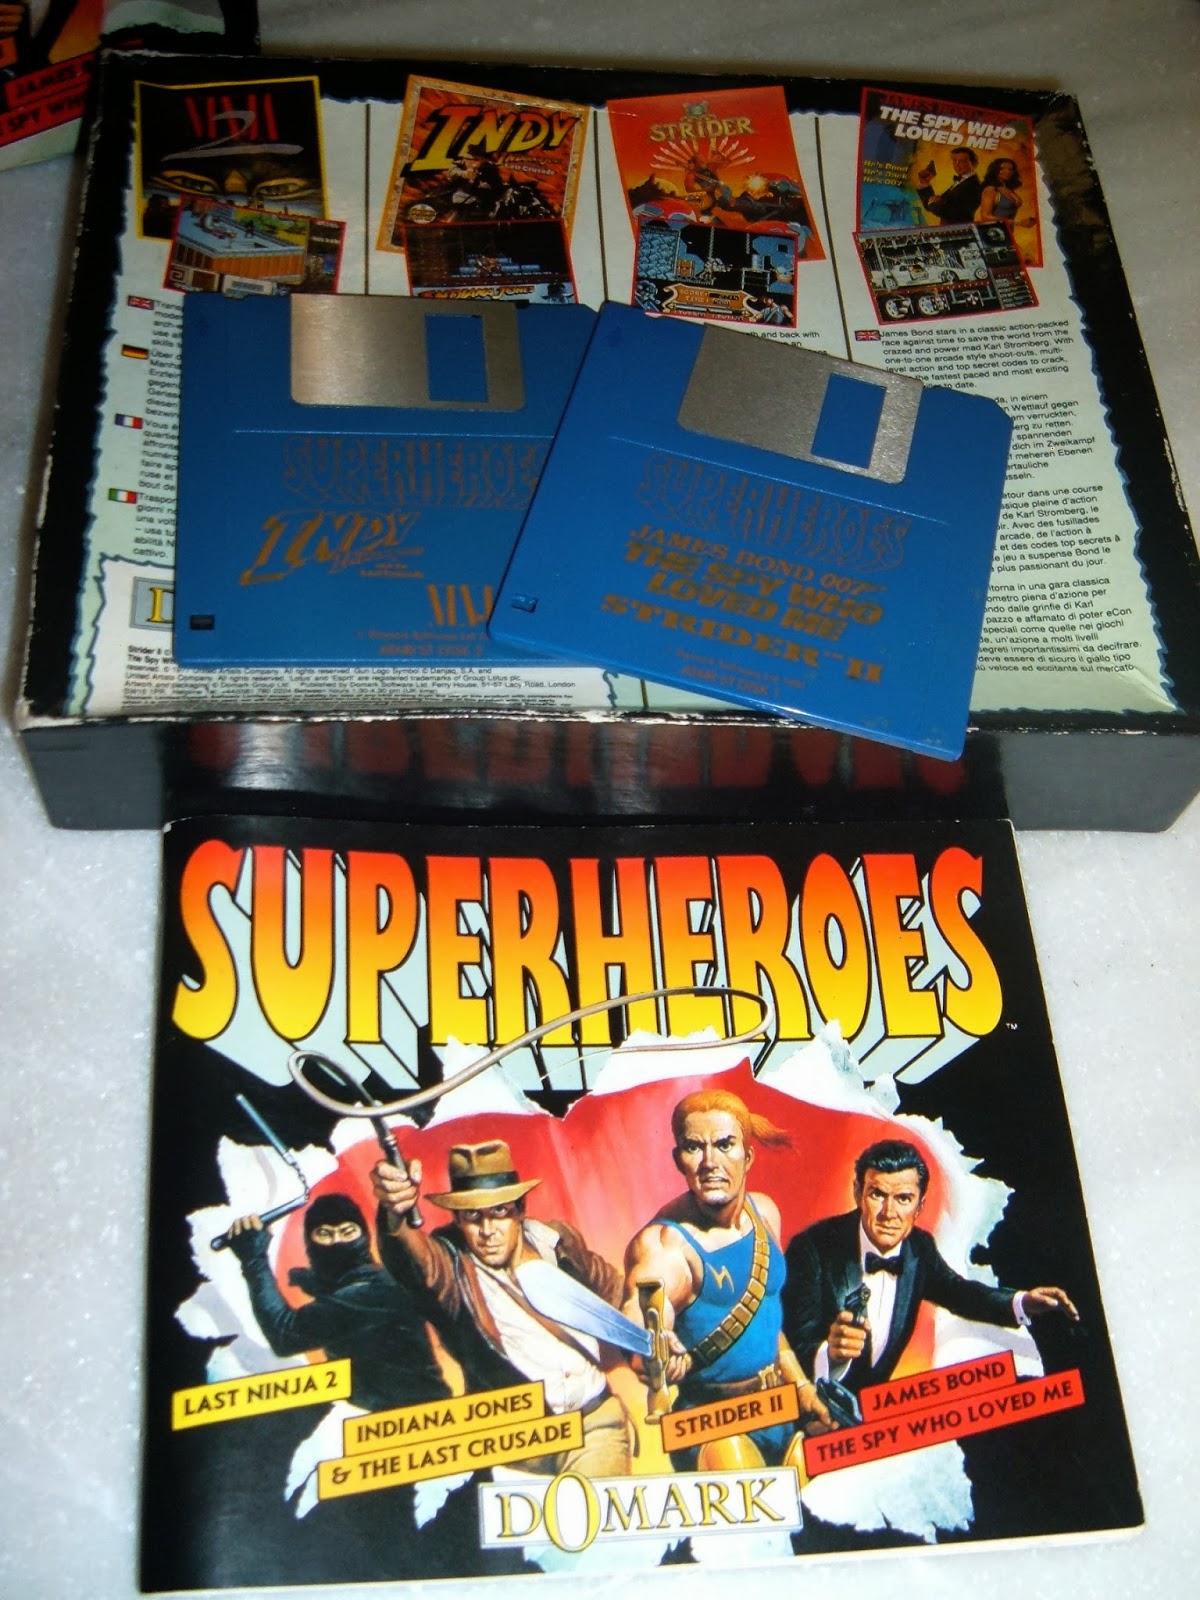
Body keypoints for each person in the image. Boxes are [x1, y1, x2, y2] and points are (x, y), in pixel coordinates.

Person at [371, 1139, 632, 1478]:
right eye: (472, 1216)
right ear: (457, 1219)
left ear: (520, 1209)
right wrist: (394, 1214)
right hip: (517, 1445)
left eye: (499, 1212)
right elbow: (415, 1262)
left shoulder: (557, 1243)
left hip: (593, 1425)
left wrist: (651, 1343)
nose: (487, 1231)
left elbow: (617, 1295)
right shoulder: (452, 1268)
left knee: (592, 1510)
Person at [623, 1089, 829, 1468]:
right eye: (694, 1147)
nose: (710, 1163)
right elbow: (641, 1317)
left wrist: (801, 1385)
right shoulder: (665, 1245)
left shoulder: (764, 1214)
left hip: (779, 1411)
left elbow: (767, 1320)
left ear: (747, 1156)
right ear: (678, 1159)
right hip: (711, 1427)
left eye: (724, 1145)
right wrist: (656, 1350)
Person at [782, 1139, 1078, 1396]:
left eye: (903, 1199)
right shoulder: (812, 1248)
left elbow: (960, 1293)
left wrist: (1022, 1302)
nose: (889, 1213)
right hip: (810, 1411)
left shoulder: (919, 1249)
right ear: (858, 1193)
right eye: (877, 1195)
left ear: (920, 1206)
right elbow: (786, 1342)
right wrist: (829, 1356)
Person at [227, 1191, 450, 1415]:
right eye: (324, 1234)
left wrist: (254, 1259)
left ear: (363, 1237)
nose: (337, 1242)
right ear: (309, 1241)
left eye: (347, 1232)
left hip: (413, 1418)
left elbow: (284, 1335)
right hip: (384, 1412)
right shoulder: (369, 1282)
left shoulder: (371, 1292)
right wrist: (313, 1282)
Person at [914, 146, 982, 225]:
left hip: (958, 229)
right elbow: (930, 205)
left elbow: (955, 213)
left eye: (962, 161)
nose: (957, 165)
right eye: (954, 161)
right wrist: (925, 183)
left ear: (974, 164)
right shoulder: (960, 182)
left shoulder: (974, 186)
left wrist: (935, 203)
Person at [979, 157, 1022, 223]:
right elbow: (985, 216)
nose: (1007, 171)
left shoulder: (1009, 189)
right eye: (1002, 169)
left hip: (1008, 228)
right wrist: (1017, 222)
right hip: (995, 228)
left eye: (1010, 169)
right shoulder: (990, 190)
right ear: (995, 170)